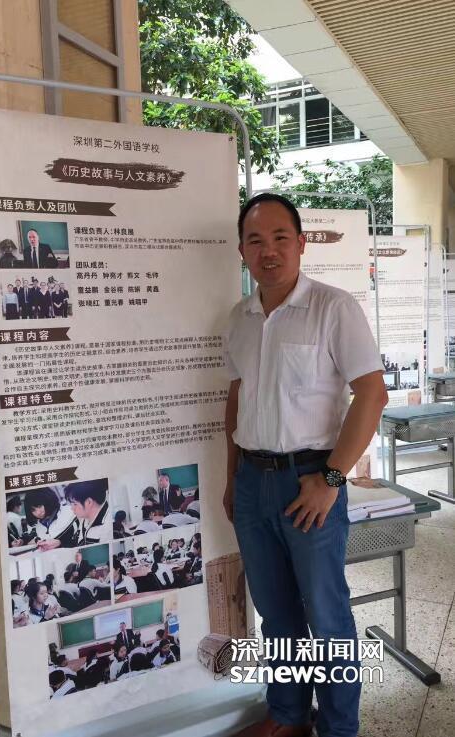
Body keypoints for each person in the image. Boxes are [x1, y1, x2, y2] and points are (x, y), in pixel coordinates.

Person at [223, 193, 388, 737]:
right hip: (252, 482)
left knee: (326, 614)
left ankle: (339, 728)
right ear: (242, 251)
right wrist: (232, 478)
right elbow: (237, 397)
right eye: (255, 241)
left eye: (279, 238)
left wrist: (333, 480)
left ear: (300, 243)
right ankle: (289, 715)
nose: (267, 251)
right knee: (275, 612)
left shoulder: (333, 307)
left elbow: (371, 394)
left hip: (310, 481)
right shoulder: (240, 318)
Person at [23, 487, 76, 551]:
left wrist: (60, 543)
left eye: (39, 506)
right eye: (33, 510)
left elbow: (80, 540)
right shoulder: (39, 525)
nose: (38, 512)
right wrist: (23, 541)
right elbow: (31, 536)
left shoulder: (69, 513)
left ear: (48, 501)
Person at [64, 479, 111, 545]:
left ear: (89, 502)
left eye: (75, 504)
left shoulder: (107, 529)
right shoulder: (84, 517)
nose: (72, 508)